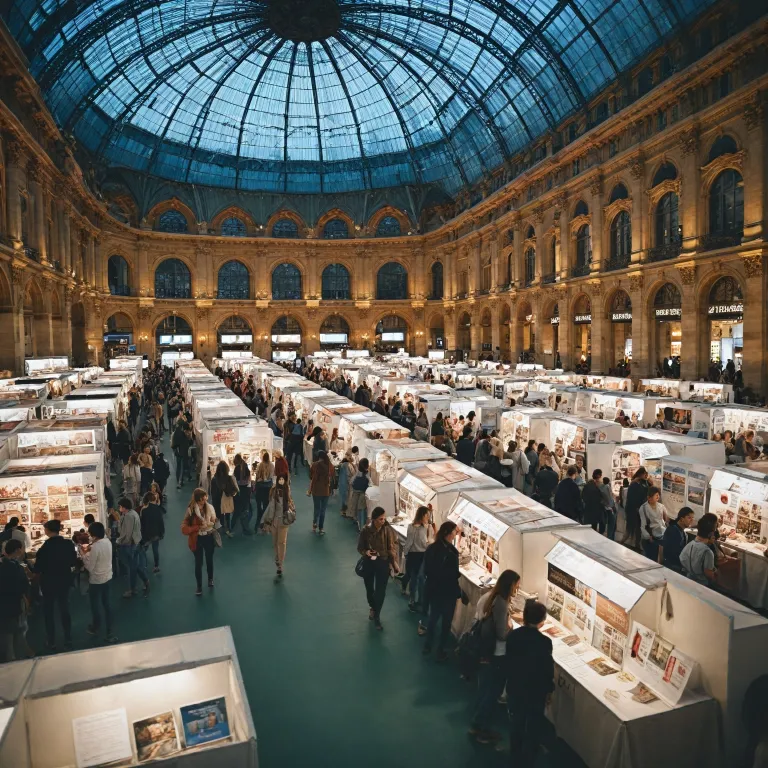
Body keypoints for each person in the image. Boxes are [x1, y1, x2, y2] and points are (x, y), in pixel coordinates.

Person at [470, 570, 520, 744]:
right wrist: (512, 630)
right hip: (496, 655)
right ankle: (482, 729)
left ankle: (477, 724)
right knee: (492, 692)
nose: (517, 589)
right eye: (516, 585)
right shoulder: (501, 603)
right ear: (510, 585)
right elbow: (501, 634)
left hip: (488, 653)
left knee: (485, 691)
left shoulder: (493, 598)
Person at [505, 600, 554, 768]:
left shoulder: (513, 635)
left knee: (516, 721)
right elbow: (547, 670)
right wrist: (549, 690)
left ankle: (515, 753)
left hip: (516, 687)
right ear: (541, 621)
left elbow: (509, 661)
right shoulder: (544, 642)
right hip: (535, 692)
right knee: (533, 722)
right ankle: (529, 757)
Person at [32, 519, 77, 651]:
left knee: (49, 612)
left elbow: (38, 568)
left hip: (48, 583)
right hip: (64, 581)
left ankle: (51, 640)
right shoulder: (68, 544)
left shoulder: (44, 548)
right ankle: (68, 638)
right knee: (64, 609)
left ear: (47, 531)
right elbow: (73, 561)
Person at [422, 521, 461, 661]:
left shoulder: (431, 548)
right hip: (448, 592)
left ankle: (428, 645)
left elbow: (426, 569)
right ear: (448, 534)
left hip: (434, 589)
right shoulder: (452, 553)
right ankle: (441, 650)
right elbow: (454, 575)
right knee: (446, 622)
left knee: (433, 618)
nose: (456, 534)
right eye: (454, 532)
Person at [357, 506, 399, 630]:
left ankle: (377, 615)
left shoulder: (387, 530)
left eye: (384, 518)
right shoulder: (365, 531)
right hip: (369, 562)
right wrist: (366, 553)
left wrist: (394, 562)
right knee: (370, 589)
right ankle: (372, 606)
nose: (383, 521)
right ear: (374, 519)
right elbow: (360, 547)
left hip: (382, 562)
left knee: (380, 591)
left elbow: (390, 547)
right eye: (380, 519)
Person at [80, 522, 117, 644]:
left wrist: (84, 555)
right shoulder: (108, 542)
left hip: (96, 580)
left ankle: (95, 627)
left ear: (94, 534)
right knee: (107, 605)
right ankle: (110, 631)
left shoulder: (96, 547)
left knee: (95, 605)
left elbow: (90, 567)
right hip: (108, 577)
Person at [181, 488, 218, 596]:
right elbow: (185, 525)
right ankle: (199, 586)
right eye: (202, 499)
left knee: (209, 560)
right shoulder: (191, 510)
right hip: (197, 538)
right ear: (197, 500)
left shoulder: (210, 507)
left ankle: (210, 579)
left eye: (205, 498)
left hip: (208, 536)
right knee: (198, 562)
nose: (205, 501)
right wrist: (197, 527)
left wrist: (212, 522)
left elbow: (214, 519)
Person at [0, 539, 30, 662]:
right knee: (16, 628)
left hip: (4, 601)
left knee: (6, 630)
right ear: (17, 550)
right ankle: (13, 657)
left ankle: (10, 655)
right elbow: (23, 586)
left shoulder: (4, 563)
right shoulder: (15, 567)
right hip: (14, 601)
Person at [401, 506, 435, 612]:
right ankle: (412, 599)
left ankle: (420, 600)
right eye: (426, 515)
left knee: (421, 578)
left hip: (423, 555)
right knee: (414, 578)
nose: (428, 517)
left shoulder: (428, 528)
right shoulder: (411, 527)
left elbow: (430, 541)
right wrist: (406, 553)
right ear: (422, 515)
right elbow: (409, 542)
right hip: (413, 555)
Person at [261, 474, 296, 578]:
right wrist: (268, 521)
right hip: (275, 520)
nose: (281, 481)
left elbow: (290, 502)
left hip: (284, 520)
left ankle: (280, 564)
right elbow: (271, 507)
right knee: (275, 542)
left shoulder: (287, 490)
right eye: (280, 479)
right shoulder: (274, 491)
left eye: (283, 479)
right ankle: (277, 558)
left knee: (282, 542)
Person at [116, 497, 150, 599]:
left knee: (132, 568)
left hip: (129, 545)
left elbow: (127, 533)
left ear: (124, 507)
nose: (119, 508)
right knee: (136, 566)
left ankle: (133, 589)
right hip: (136, 543)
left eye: (120, 506)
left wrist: (118, 541)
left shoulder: (128, 517)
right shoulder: (133, 513)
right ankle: (145, 582)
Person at [680, 515, 718, 585]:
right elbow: (709, 573)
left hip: (687, 581)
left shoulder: (690, 545)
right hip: (701, 585)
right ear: (711, 534)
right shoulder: (707, 552)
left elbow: (682, 559)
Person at [622, 467, 649, 551]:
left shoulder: (641, 483)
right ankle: (621, 543)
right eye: (645, 474)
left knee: (636, 529)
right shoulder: (634, 484)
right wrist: (637, 508)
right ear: (641, 474)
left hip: (637, 510)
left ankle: (636, 545)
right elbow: (632, 499)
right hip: (633, 511)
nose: (646, 476)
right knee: (630, 529)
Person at [638, 486, 668, 562]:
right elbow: (643, 524)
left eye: (658, 495)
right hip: (651, 537)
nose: (658, 496)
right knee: (651, 559)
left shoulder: (661, 506)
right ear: (649, 497)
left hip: (661, 535)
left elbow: (666, 520)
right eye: (656, 495)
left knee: (661, 559)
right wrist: (648, 536)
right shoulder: (643, 508)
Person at [662, 507, 696, 572]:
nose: (691, 520)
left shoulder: (681, 531)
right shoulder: (673, 530)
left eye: (692, 518)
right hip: (672, 567)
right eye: (689, 518)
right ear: (681, 519)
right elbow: (672, 553)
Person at [139, 491, 165, 573]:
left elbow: (142, 524)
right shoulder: (158, 509)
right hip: (156, 533)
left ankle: (144, 565)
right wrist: (162, 532)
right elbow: (161, 522)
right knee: (155, 549)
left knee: (143, 549)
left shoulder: (143, 510)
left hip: (147, 533)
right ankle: (156, 566)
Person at [210, 461, 238, 537]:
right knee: (228, 515)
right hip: (227, 500)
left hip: (217, 501)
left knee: (219, 516)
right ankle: (228, 530)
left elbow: (212, 492)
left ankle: (220, 531)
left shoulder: (214, 479)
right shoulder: (229, 478)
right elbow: (235, 490)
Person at [309, 450, 333, 535]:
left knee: (317, 509)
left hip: (316, 490)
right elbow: (332, 474)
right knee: (323, 510)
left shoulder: (314, 465)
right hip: (325, 491)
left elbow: (310, 476)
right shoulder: (329, 465)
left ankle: (314, 525)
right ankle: (321, 528)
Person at [253, 451, 275, 530]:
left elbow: (257, 475)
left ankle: (258, 523)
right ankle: (265, 523)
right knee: (266, 504)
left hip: (260, 486)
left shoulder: (260, 465)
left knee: (259, 504)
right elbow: (272, 476)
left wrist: (255, 485)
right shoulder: (272, 465)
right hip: (268, 486)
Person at [232, 454, 253, 536]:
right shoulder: (245, 467)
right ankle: (245, 528)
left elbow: (235, 481)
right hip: (245, 493)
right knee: (246, 511)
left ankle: (232, 528)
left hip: (239, 493)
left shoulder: (237, 469)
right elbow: (248, 480)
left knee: (237, 512)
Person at [348, 458, 371, 531]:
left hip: (355, 492)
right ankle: (362, 528)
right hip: (362, 493)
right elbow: (369, 483)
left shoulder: (358, 472)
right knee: (362, 510)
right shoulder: (366, 474)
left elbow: (351, 482)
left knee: (356, 509)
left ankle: (358, 523)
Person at [582, 469, 607, 534]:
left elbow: (583, 497)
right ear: (599, 476)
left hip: (587, 513)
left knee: (587, 533)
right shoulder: (599, 487)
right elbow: (601, 500)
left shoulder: (587, 485)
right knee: (594, 532)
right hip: (595, 514)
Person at [171, 420, 191, 489]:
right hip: (181, 454)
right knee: (181, 467)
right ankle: (179, 482)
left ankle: (179, 481)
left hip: (178, 453)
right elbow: (185, 444)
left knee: (179, 467)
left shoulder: (177, 431)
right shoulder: (181, 434)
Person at [338, 451, 354, 518]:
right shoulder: (349, 465)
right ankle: (345, 512)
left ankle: (343, 511)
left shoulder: (342, 464)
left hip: (342, 483)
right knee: (347, 498)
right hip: (347, 484)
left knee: (344, 498)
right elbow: (353, 474)